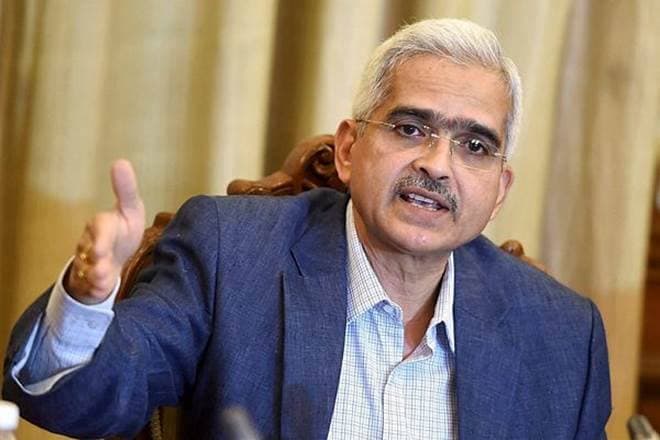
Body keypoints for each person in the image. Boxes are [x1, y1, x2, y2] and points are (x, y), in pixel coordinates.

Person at [2, 18, 611, 439]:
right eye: (410, 129)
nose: (437, 164)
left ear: (499, 190)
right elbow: (74, 400)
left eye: (474, 145)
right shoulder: (232, 254)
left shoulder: (562, 334)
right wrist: (86, 300)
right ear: (348, 149)